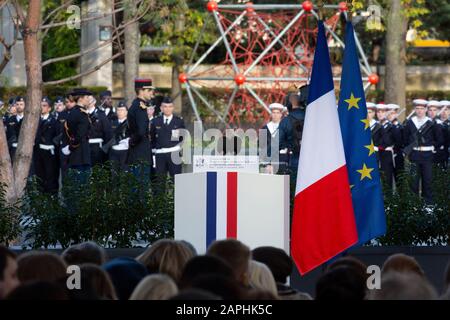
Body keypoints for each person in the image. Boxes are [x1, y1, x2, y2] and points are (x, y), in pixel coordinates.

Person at [403, 99, 443, 204]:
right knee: (413, 182)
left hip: (428, 155)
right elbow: (405, 138)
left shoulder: (432, 123)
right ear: (414, 109)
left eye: (422, 108)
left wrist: (432, 146)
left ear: (426, 109)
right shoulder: (410, 122)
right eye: (417, 108)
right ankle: (414, 204)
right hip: (414, 155)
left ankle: (428, 205)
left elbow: (439, 139)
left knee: (428, 181)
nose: (420, 111)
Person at [150, 96, 185, 181]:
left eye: (170, 106)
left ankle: (177, 195)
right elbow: (152, 137)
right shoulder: (155, 121)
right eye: (165, 106)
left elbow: (182, 137)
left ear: (172, 108)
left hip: (174, 154)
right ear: (161, 108)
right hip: (160, 154)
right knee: (159, 182)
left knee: (177, 181)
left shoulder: (178, 121)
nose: (167, 109)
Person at [61, 88, 93, 179]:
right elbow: (80, 135)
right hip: (81, 155)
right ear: (80, 98)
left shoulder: (73, 111)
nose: (88, 99)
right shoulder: (81, 114)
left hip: (75, 155)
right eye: (87, 97)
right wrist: (71, 147)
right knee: (82, 184)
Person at [126, 79, 155, 180]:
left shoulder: (135, 105)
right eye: (149, 90)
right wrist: (133, 141)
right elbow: (141, 131)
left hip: (137, 153)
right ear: (141, 91)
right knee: (141, 189)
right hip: (141, 153)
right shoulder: (140, 108)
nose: (152, 93)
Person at [278, 84, 308, 179]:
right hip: (315, 162)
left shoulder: (286, 121)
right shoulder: (311, 117)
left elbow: (276, 144)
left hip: (296, 161)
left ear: (288, 105)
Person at [33, 96, 59, 193]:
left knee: (51, 177)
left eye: (44, 106)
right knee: (40, 178)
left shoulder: (54, 121)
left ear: (49, 108)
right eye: (40, 106)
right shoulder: (35, 120)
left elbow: (57, 136)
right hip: (38, 153)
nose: (42, 108)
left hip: (50, 154)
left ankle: (52, 200)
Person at [86, 95, 112, 166]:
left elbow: (107, 132)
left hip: (97, 147)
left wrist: (105, 148)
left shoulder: (100, 114)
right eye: (87, 99)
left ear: (94, 102)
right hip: (85, 146)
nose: (88, 101)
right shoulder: (83, 114)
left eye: (90, 100)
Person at [260, 103, 286, 174]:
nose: (275, 115)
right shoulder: (265, 128)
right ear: (271, 114)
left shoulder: (286, 127)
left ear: (281, 114)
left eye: (278, 113)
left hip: (283, 158)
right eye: (273, 113)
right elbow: (262, 146)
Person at [375, 103, 397, 189]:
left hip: (386, 155)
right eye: (378, 112)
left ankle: (388, 200)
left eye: (383, 112)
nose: (380, 114)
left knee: (387, 179)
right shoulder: (373, 125)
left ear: (386, 113)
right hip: (374, 154)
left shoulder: (392, 126)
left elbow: (390, 141)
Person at [105, 100, 130, 171]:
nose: (119, 112)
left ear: (127, 112)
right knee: (114, 175)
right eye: (118, 110)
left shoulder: (129, 123)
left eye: (122, 110)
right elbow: (108, 135)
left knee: (124, 174)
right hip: (113, 152)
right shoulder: (112, 123)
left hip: (125, 152)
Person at [386, 103, 405, 182]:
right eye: (389, 113)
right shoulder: (383, 126)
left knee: (399, 179)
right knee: (387, 179)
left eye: (393, 113)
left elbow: (401, 141)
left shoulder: (401, 127)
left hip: (397, 155)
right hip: (386, 155)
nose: (390, 115)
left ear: (396, 114)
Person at [428, 100, 449, 168]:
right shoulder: (434, 123)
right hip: (436, 153)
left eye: (446, 109)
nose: (444, 112)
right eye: (442, 109)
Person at [5, 96, 25, 162]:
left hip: (25, 151)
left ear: (25, 105)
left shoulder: (28, 120)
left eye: (21, 104)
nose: (19, 106)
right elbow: (7, 135)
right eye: (17, 104)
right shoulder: (10, 119)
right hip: (13, 150)